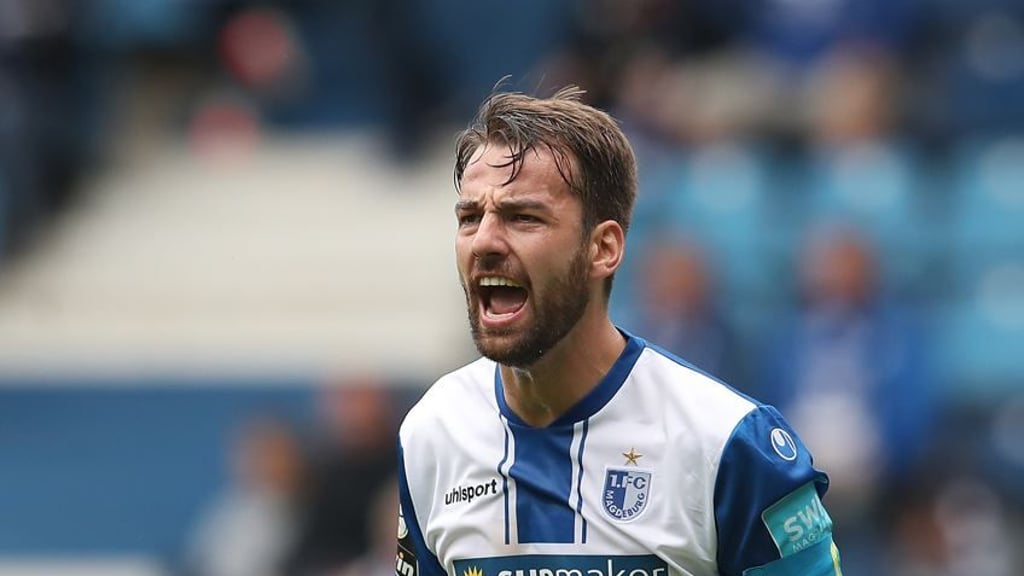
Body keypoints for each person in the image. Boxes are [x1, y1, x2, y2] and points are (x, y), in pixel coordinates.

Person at [395, 87, 843, 576]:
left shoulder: (729, 445)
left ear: (603, 248)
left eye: (522, 217)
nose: (483, 241)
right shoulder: (431, 433)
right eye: (470, 217)